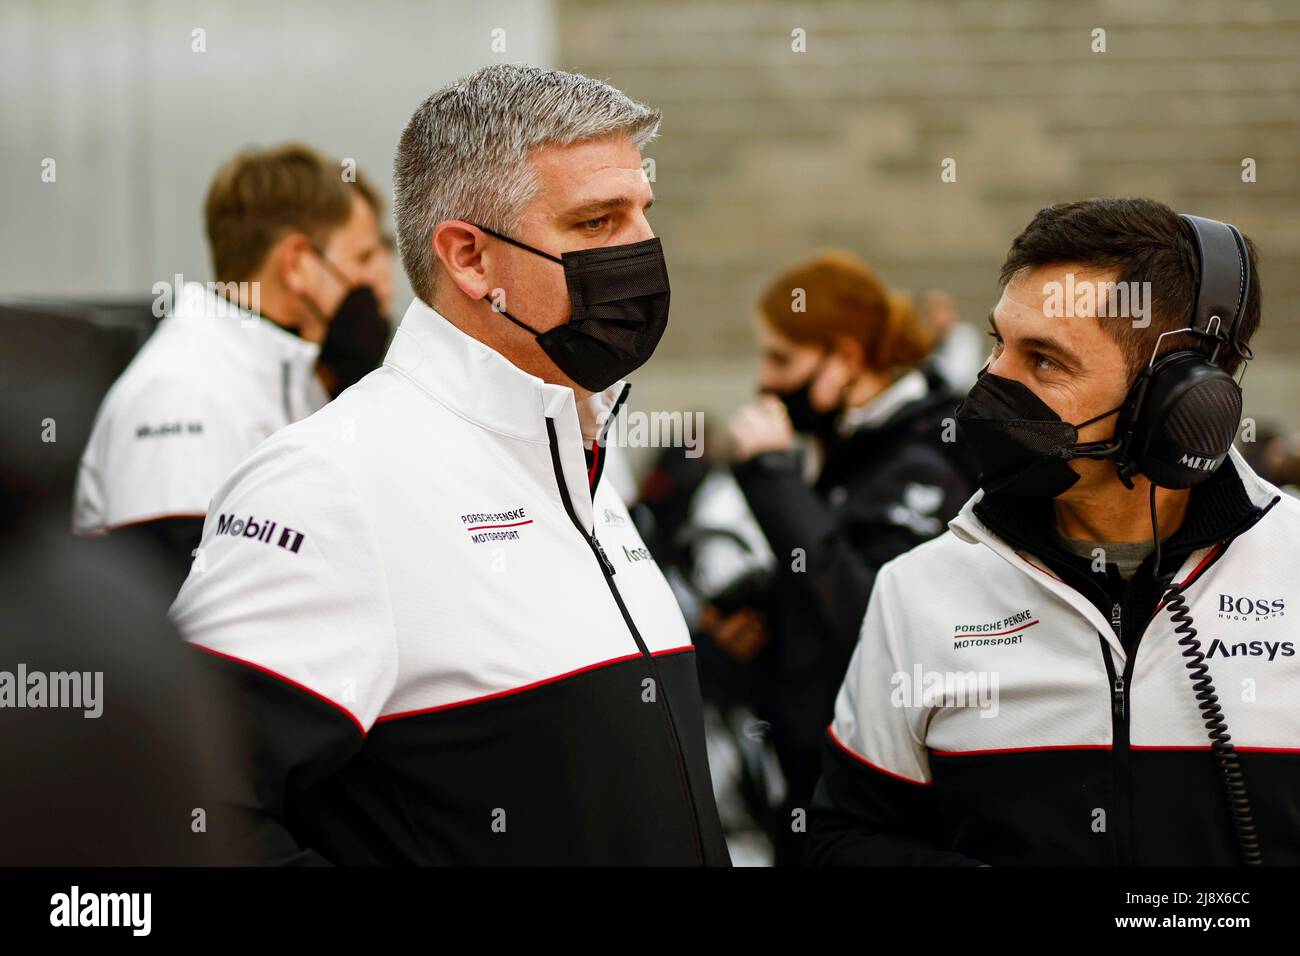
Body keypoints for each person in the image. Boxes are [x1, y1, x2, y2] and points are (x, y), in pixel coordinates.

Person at [168, 64, 731, 866]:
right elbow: (182, 812)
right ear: (470, 258)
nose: (643, 249)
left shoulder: (579, 454)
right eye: (597, 222)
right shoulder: (332, 484)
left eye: (644, 214)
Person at [810, 198, 1300, 866]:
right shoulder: (916, 588)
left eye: (1043, 361)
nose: (988, 385)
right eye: (998, 344)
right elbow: (844, 840)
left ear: (1180, 409)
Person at [724, 250, 972, 863]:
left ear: (849, 357)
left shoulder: (923, 458)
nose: (765, 380)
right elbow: (831, 560)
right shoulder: (855, 448)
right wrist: (759, 601)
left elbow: (870, 616)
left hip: (882, 814)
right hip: (814, 794)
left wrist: (771, 479)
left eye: (782, 359)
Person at [73, 143, 384, 591]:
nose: (376, 283)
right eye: (360, 259)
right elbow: (170, 602)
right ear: (297, 265)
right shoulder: (181, 391)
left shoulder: (290, 376)